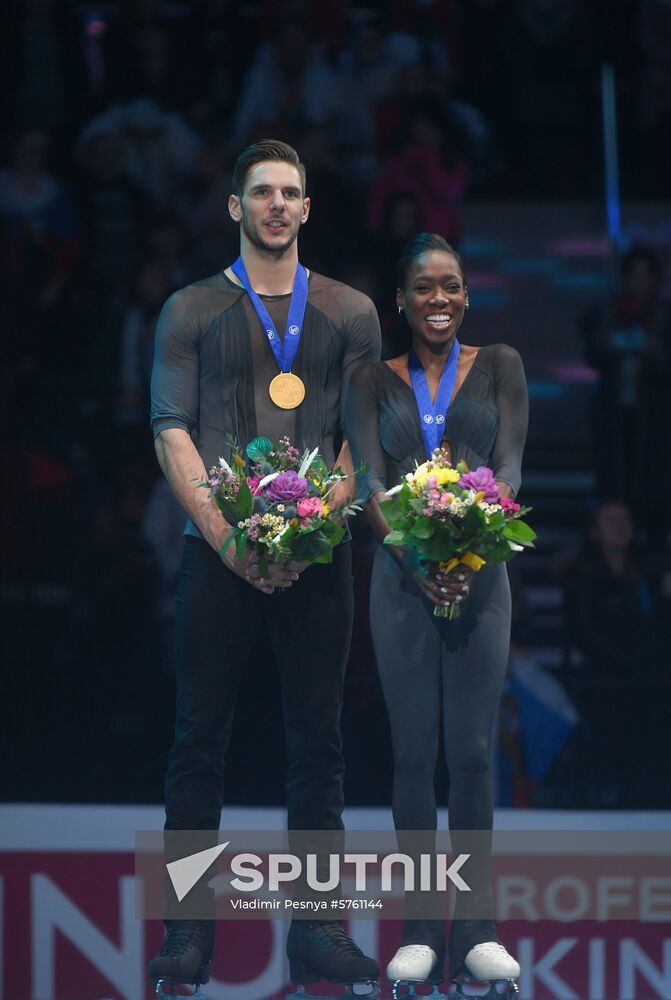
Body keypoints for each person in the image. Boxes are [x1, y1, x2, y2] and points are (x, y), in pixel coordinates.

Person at [148, 140, 381, 990]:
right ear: (235, 209)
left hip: (318, 561)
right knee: (196, 745)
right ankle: (188, 934)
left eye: (291, 192)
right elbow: (171, 425)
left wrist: (312, 536)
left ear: (307, 210)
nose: (277, 204)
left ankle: (318, 931)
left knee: (317, 747)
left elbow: (362, 441)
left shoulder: (351, 311)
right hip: (216, 554)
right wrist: (231, 537)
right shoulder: (191, 308)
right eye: (261, 192)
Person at [345, 233, 528, 992]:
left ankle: (478, 931)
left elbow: (510, 467)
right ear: (400, 301)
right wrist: (420, 567)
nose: (439, 299)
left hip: (481, 578)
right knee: (416, 756)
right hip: (400, 583)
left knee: (475, 754)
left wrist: (469, 555)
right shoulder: (368, 379)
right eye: (423, 288)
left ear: (465, 293)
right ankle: (420, 931)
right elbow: (366, 487)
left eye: (450, 285)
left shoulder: (502, 366)